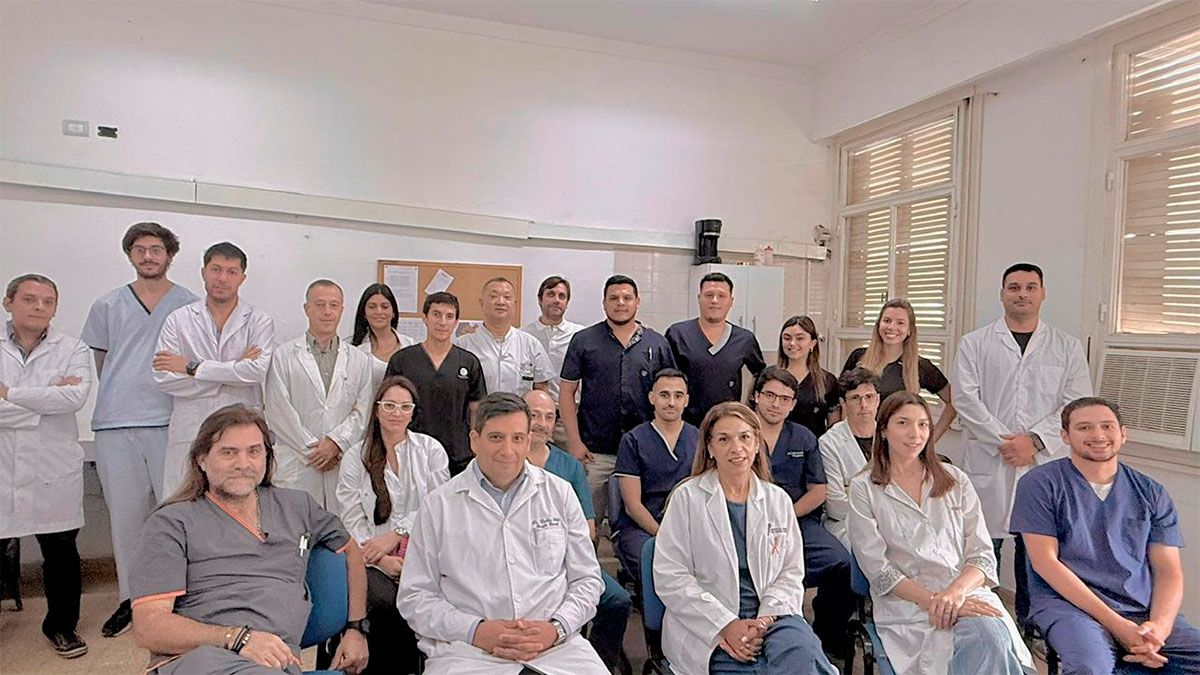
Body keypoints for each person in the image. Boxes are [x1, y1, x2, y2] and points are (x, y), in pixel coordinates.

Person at [130, 405, 369, 674]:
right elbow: (149, 627)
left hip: (275, 662)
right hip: (203, 658)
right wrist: (238, 639)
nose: (243, 464)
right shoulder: (172, 523)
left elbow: (351, 551)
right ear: (202, 460)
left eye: (254, 451)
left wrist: (356, 629)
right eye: (228, 452)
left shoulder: (297, 507)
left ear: (267, 457)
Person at [396, 393, 607, 674]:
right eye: (496, 437)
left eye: (517, 438)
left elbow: (587, 579)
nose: (508, 450)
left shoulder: (560, 493)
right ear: (474, 440)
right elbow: (415, 597)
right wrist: (475, 630)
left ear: (528, 440)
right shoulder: (439, 505)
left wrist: (556, 628)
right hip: (469, 653)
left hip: (557, 649)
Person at [847, 391, 1033, 675]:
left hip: (965, 592)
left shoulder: (955, 480)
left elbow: (982, 555)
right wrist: (935, 601)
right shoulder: (864, 488)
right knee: (986, 643)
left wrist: (954, 595)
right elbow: (877, 569)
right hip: (909, 603)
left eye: (923, 424)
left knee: (991, 637)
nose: (915, 434)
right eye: (903, 423)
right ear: (883, 430)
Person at [1010, 397, 1200, 674]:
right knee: (1091, 667)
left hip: (1140, 610)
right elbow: (1045, 563)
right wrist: (1118, 626)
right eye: (1084, 427)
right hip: (1069, 608)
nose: (1098, 435)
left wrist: (1159, 628)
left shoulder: (1151, 492)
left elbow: (1168, 570)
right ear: (1065, 436)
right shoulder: (1040, 484)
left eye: (1107, 426)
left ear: (1123, 434)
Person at [953, 262, 1093, 631]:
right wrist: (1004, 441)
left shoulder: (1066, 347)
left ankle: (1032, 627)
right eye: (1014, 287)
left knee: (1037, 551)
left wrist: (1034, 441)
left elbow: (1076, 402)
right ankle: (987, 625)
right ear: (1002, 294)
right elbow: (965, 399)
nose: (1022, 294)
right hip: (990, 458)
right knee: (984, 548)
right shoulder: (974, 343)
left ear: (1043, 293)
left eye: (1031, 287)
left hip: (1041, 462)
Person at [653, 402, 835, 675]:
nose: (736, 448)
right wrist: (727, 624)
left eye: (745, 437)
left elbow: (791, 571)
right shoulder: (687, 498)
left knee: (805, 659)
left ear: (757, 444)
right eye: (723, 439)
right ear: (710, 448)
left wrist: (764, 621)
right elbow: (670, 576)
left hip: (773, 615)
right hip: (707, 623)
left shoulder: (777, 500)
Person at [81, 222, 198, 638]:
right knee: (126, 519)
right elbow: (104, 362)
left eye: (156, 249)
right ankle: (130, 599)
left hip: (171, 421)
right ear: (130, 254)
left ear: (169, 255)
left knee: (176, 515)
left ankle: (177, 597)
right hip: (117, 423)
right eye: (140, 249)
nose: (149, 256)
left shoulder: (189, 305)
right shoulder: (107, 305)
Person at [0, 274, 93, 658]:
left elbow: (73, 399)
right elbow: (56, 401)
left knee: (60, 552)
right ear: (8, 303)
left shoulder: (73, 348)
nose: (39, 307)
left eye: (47, 301)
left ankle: (61, 626)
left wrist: (9, 394)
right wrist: (44, 400)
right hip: (3, 465)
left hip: (50, 466)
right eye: (29, 299)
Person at [337, 375, 449, 674]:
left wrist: (398, 534)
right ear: (376, 410)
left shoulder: (431, 450)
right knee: (383, 599)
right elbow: (351, 518)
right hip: (372, 561)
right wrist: (381, 559)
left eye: (404, 406)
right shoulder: (355, 457)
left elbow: (438, 506)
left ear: (413, 412)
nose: (396, 413)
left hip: (424, 554)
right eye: (389, 405)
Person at [749, 366, 852, 662]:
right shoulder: (740, 434)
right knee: (753, 571)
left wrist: (785, 516)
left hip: (797, 520)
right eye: (770, 395)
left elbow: (818, 490)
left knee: (842, 563)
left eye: (784, 399)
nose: (776, 404)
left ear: (793, 404)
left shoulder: (803, 437)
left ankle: (827, 633)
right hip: (746, 520)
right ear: (756, 396)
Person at [154, 241, 274, 495]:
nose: (222, 278)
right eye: (216, 269)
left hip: (241, 432)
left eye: (232, 272)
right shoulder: (179, 320)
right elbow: (164, 378)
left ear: (242, 277)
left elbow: (255, 372)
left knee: (238, 502)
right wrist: (234, 371)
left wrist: (191, 367)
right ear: (204, 272)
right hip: (191, 428)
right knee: (182, 504)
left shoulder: (259, 321)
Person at [523, 389, 631, 672]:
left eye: (549, 417)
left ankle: (598, 660)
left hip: (567, 558)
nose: (541, 423)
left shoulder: (569, 466)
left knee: (617, 600)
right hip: (523, 562)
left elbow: (588, 528)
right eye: (534, 415)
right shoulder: (509, 462)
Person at [560, 275, 675, 524]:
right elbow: (566, 392)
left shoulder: (657, 343)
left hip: (643, 451)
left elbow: (670, 396)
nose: (620, 303)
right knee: (586, 522)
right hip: (595, 451)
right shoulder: (584, 340)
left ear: (637, 302)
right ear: (604, 303)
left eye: (627, 298)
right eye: (613, 298)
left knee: (637, 520)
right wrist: (574, 442)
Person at [265, 280, 373, 508]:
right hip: (297, 462)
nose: (327, 311)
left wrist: (335, 443)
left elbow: (362, 411)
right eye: (319, 304)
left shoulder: (359, 360)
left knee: (341, 524)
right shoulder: (283, 356)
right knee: (295, 523)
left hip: (340, 460)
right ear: (307, 309)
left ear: (342, 310)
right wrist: (313, 451)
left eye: (333, 305)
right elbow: (277, 409)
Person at [385, 292, 486, 476]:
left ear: (456, 322)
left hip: (458, 455)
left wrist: (476, 448)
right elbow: (388, 406)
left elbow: (476, 409)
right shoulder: (402, 360)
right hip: (412, 453)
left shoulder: (468, 362)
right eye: (436, 315)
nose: (442, 322)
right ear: (425, 318)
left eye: (449, 316)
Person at [612, 368, 698, 583]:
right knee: (653, 563)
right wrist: (664, 536)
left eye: (678, 396)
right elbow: (633, 506)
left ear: (686, 400)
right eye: (664, 395)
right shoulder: (634, 440)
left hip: (688, 526)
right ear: (652, 398)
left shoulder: (699, 440)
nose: (671, 402)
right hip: (643, 527)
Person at [841, 298, 956, 443]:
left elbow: (954, 401)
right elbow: (842, 400)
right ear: (878, 325)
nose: (891, 327)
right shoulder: (858, 357)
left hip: (897, 444)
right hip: (856, 442)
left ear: (909, 330)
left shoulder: (920, 366)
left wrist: (929, 441)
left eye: (900, 323)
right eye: (887, 321)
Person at [665, 272, 766, 426]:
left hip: (727, 423)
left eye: (721, 296)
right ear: (699, 298)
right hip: (685, 423)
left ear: (731, 301)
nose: (714, 300)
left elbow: (761, 374)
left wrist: (749, 406)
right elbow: (664, 378)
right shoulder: (678, 334)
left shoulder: (744, 339)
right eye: (709, 295)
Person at [455, 277, 553, 395]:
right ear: (481, 303)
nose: (500, 302)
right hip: (479, 407)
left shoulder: (531, 344)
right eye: (493, 296)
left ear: (514, 304)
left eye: (507, 297)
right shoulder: (463, 345)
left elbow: (541, 389)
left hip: (519, 407)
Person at [817, 367, 880, 549]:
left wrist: (852, 488)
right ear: (843, 403)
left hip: (889, 521)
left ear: (878, 400)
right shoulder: (829, 443)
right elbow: (835, 506)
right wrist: (881, 498)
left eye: (869, 397)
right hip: (846, 525)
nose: (864, 405)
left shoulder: (891, 436)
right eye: (855, 398)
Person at [520, 276, 584, 402]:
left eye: (562, 296)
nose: (557, 300)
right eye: (551, 294)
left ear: (567, 303)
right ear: (540, 299)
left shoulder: (580, 335)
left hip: (572, 409)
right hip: (533, 409)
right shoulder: (523, 335)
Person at [778, 316, 839, 439]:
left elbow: (834, 428)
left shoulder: (827, 381)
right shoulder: (769, 377)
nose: (792, 343)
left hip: (813, 447)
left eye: (800, 338)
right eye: (787, 338)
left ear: (812, 343)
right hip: (775, 446)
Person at [350, 283, 415, 394]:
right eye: (372, 307)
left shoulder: (409, 344)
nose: (379, 311)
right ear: (364, 313)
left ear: (393, 312)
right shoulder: (354, 350)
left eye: (385, 307)